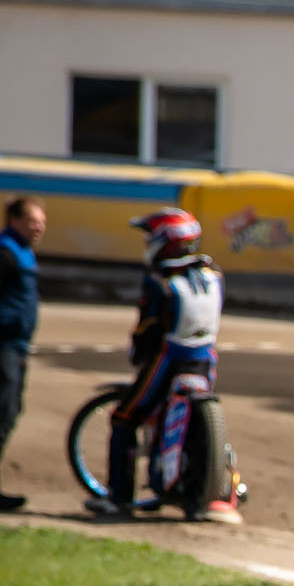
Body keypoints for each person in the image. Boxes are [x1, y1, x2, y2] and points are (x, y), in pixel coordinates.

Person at [85, 208, 226, 520]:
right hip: (204, 362)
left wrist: (137, 352)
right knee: (196, 420)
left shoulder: (160, 281)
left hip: (168, 361)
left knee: (124, 418)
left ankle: (119, 498)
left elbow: (148, 330)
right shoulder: (212, 275)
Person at [0, 195, 45, 514]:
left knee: (5, 415)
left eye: (42, 221)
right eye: (34, 220)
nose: (40, 227)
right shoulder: (2, 253)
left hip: (16, 346)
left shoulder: (20, 251)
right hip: (0, 347)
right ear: (15, 220)